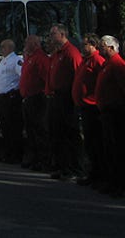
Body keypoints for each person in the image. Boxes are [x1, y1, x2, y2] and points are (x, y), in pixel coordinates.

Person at [46, 23, 83, 180]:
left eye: (53, 34)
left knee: (70, 134)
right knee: (57, 134)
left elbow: (78, 75)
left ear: (62, 34)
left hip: (67, 98)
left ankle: (75, 168)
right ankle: (62, 166)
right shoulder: (57, 54)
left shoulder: (71, 53)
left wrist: (74, 98)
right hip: (56, 98)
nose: (50, 37)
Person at [71, 33, 105, 187]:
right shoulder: (86, 60)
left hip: (93, 107)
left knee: (96, 143)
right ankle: (93, 173)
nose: (82, 47)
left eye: (85, 44)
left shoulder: (97, 60)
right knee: (90, 143)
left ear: (93, 45)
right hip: (84, 106)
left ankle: (100, 174)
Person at [94, 35, 125, 197]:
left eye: (102, 46)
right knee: (109, 148)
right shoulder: (107, 64)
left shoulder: (118, 64)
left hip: (115, 113)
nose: (100, 49)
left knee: (117, 148)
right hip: (106, 112)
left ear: (111, 47)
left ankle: (119, 184)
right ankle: (112, 181)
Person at [19, 34, 49, 170]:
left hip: (37, 98)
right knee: (31, 131)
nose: (25, 43)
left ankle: (42, 160)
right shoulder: (29, 58)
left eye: (27, 42)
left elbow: (46, 78)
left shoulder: (40, 58)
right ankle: (33, 158)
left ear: (35, 44)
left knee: (39, 131)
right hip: (28, 99)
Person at [0, 39, 23, 163]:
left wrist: (15, 91)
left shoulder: (16, 60)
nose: (1, 49)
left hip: (10, 98)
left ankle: (14, 155)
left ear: (10, 48)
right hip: (2, 98)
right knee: (5, 127)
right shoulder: (4, 61)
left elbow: (22, 75)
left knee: (13, 127)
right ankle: (7, 153)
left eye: (3, 47)